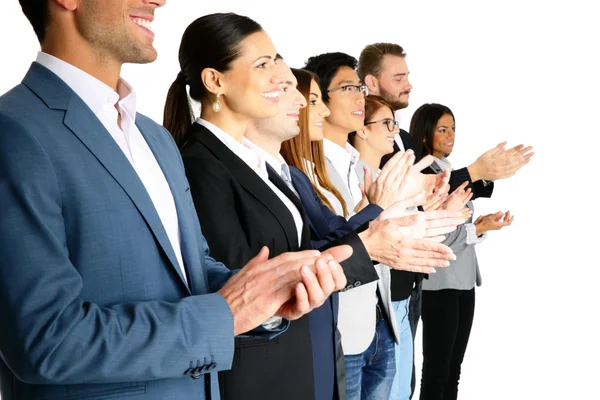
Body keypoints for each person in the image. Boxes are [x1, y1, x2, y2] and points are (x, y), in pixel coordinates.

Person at [0, 4, 345, 400]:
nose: (158, 0)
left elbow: (193, 269)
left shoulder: (154, 138)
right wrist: (227, 314)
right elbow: (46, 340)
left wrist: (267, 295)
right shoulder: (14, 132)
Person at [357, 42, 534, 398]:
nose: (408, 84)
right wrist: (476, 179)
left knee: (422, 379)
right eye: (399, 77)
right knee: (419, 376)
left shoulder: (403, 141)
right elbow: (407, 208)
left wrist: (477, 183)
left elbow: (427, 203)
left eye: (408, 76)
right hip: (394, 284)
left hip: (413, 284)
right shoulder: (376, 150)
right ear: (372, 84)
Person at [304, 52, 450, 400]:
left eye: (358, 87)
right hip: (344, 329)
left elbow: (377, 234)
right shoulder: (310, 169)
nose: (359, 96)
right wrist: (383, 206)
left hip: (374, 320)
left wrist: (425, 216)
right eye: (347, 87)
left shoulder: (353, 165)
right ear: (320, 103)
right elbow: (336, 242)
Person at [410, 103, 514, 400]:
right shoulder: (424, 177)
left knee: (453, 369)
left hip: (463, 281)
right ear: (425, 135)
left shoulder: (450, 172)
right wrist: (478, 230)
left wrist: (481, 224)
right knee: (438, 369)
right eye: (442, 129)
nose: (450, 135)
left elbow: (459, 227)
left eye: (452, 128)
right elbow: (437, 234)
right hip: (438, 283)